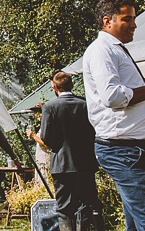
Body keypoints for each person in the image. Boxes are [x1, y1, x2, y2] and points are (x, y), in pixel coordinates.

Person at [83, 0, 145, 231]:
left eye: (134, 18)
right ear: (107, 21)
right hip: (124, 150)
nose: (134, 24)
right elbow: (112, 97)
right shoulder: (103, 51)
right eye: (127, 19)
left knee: (137, 222)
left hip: (133, 148)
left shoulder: (114, 49)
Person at [35, 72, 103, 231]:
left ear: (54, 87)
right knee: (90, 203)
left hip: (62, 164)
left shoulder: (50, 107)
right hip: (85, 163)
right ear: (72, 85)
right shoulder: (85, 104)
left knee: (64, 209)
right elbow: (95, 132)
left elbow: (46, 138)